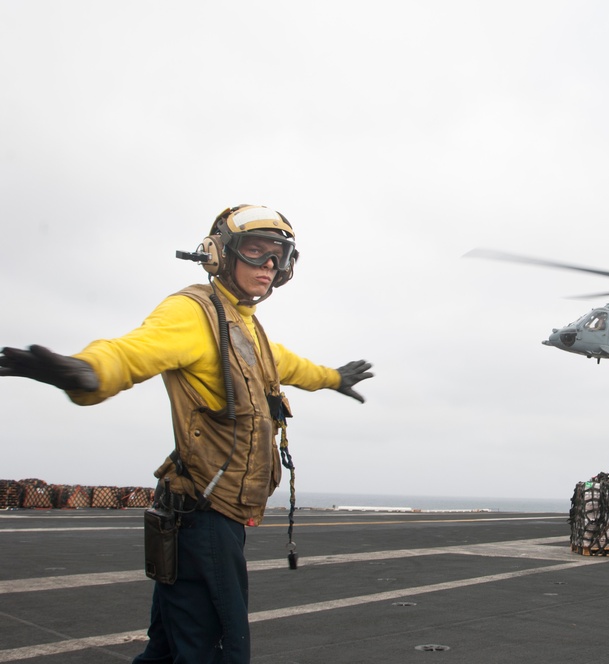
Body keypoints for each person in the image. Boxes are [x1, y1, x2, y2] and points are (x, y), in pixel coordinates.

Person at [0, 204, 374, 663]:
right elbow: (133, 351)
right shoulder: (194, 313)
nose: (269, 267)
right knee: (217, 653)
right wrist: (85, 371)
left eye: (278, 257)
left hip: (210, 516)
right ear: (219, 255)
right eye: (256, 253)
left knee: (169, 649)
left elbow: (292, 366)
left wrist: (334, 378)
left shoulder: (246, 328)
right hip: (203, 518)